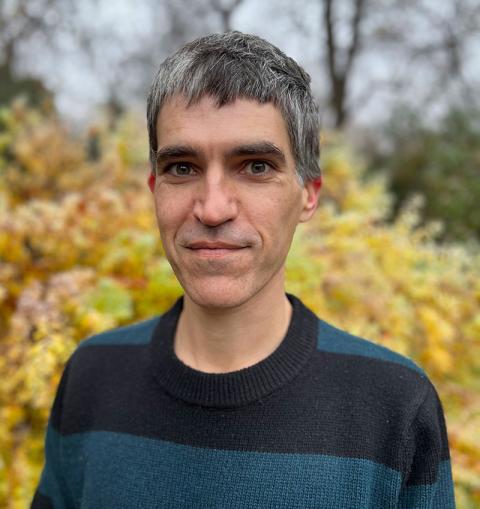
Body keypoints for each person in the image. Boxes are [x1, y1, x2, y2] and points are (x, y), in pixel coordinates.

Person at [32, 31, 455, 508]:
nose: (212, 208)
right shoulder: (93, 378)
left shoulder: (393, 405)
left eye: (255, 166)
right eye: (182, 167)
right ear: (154, 188)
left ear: (308, 194)